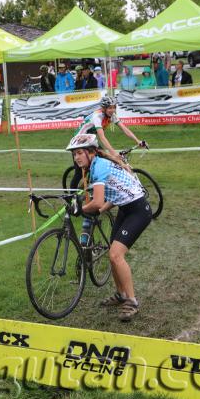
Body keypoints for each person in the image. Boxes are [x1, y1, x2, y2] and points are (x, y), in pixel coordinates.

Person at [66, 133, 152, 321]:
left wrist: (78, 209)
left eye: (80, 153)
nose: (76, 157)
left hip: (138, 210)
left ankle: (131, 301)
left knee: (115, 255)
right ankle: (121, 294)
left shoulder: (100, 167)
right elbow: (115, 193)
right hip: (124, 207)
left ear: (91, 152)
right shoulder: (95, 165)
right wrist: (94, 209)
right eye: (74, 154)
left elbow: (97, 202)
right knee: (113, 255)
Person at [70, 95, 146, 192]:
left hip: (90, 140)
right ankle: (70, 196)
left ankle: (95, 184)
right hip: (79, 142)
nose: (112, 110)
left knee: (103, 161)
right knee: (79, 173)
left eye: (114, 107)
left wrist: (137, 141)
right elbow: (102, 137)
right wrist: (114, 154)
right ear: (103, 108)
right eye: (110, 108)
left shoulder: (111, 116)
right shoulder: (97, 116)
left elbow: (124, 129)